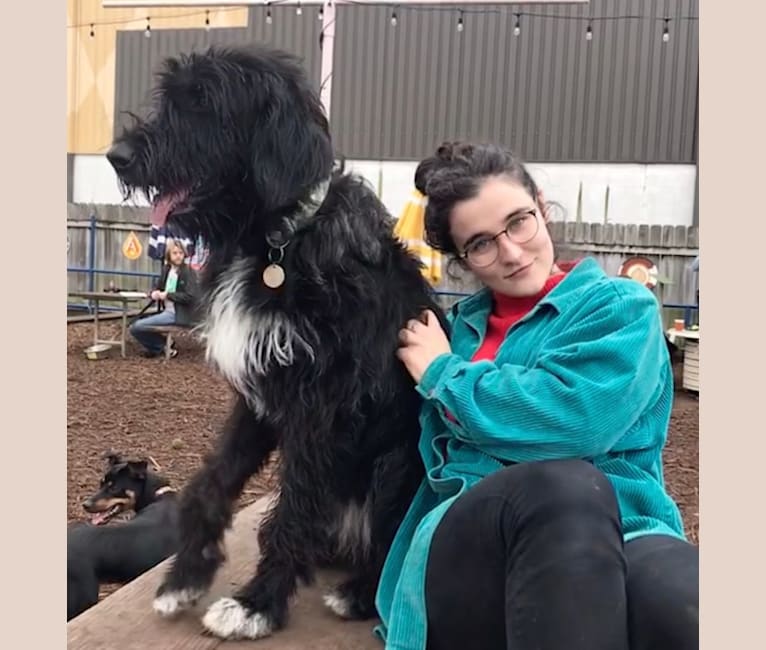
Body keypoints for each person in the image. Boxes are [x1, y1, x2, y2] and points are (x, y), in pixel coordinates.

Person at [375, 142, 698, 650]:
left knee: (686, 604)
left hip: (627, 528)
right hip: (477, 547)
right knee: (564, 486)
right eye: (480, 243)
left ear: (542, 207)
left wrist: (444, 376)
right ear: (463, 260)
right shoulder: (455, 332)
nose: (510, 250)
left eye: (518, 221)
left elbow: (575, 418)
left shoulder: (618, 309)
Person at [130, 238, 198, 358]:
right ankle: (162, 344)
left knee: (137, 327)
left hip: (179, 313)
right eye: (175, 253)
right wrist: (153, 293)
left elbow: (191, 296)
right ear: (169, 255)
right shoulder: (166, 270)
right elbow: (158, 288)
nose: (178, 256)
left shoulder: (188, 272)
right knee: (134, 325)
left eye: (181, 253)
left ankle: (163, 347)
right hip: (167, 311)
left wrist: (167, 295)